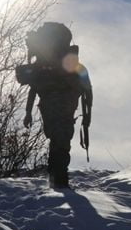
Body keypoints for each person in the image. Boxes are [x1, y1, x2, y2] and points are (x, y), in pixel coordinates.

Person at [18, 22, 92, 188]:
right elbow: (87, 91)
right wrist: (87, 118)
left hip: (49, 104)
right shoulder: (70, 66)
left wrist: (28, 112)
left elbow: (33, 88)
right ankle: (57, 179)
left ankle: (57, 179)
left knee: (58, 139)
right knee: (60, 140)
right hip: (64, 105)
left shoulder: (43, 67)